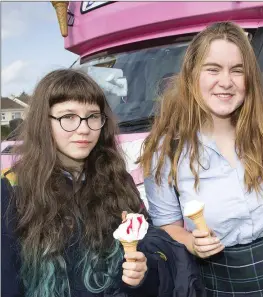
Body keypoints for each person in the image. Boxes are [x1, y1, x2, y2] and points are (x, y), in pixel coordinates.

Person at [138, 21, 263, 297]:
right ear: (191, 74)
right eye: (213, 69)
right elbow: (168, 226)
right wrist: (191, 242)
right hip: (221, 280)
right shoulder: (165, 150)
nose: (226, 82)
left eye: (237, 70)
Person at [1, 69, 158, 297]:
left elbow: (148, 240)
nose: (84, 129)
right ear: (43, 122)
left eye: (93, 116)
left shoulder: (117, 179)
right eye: (68, 117)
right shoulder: (12, 192)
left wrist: (142, 270)